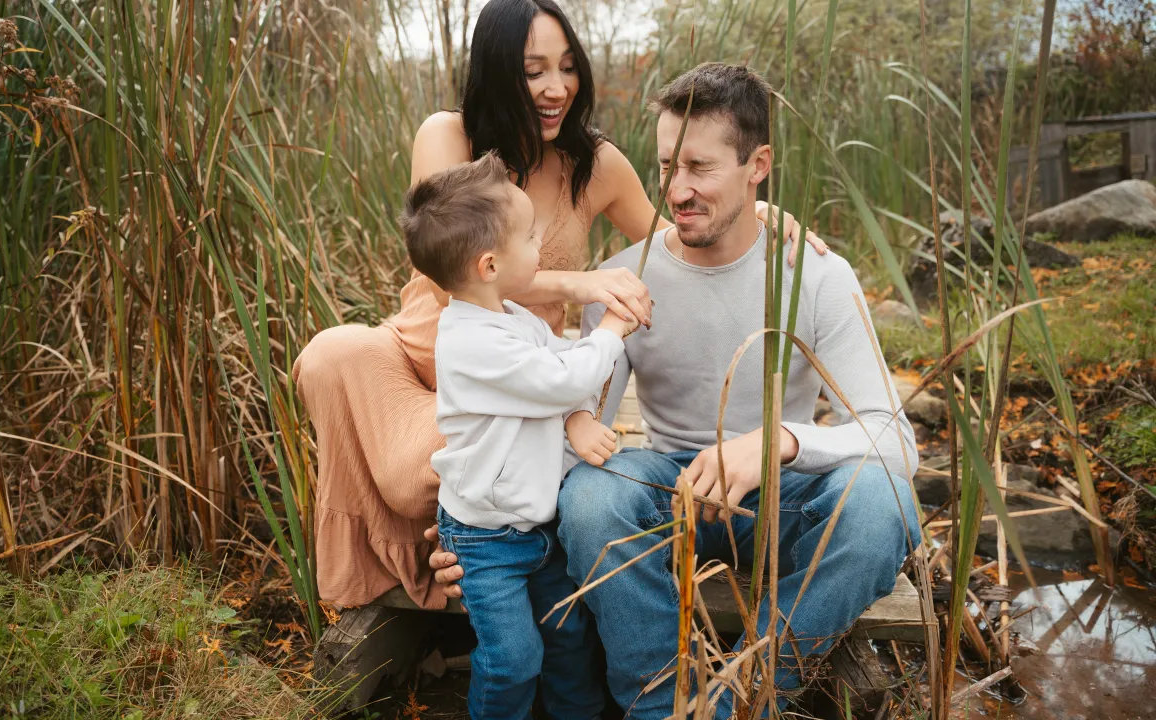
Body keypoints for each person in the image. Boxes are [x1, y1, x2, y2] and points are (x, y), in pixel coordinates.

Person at [293, 0, 828, 612]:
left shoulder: (595, 164)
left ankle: (460, 545)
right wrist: (582, 284)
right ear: (497, 71)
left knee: (454, 467)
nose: (557, 88)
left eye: (568, 67)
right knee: (332, 353)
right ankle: (427, 552)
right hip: (422, 353)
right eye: (534, 71)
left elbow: (680, 241)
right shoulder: (447, 136)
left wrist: (750, 208)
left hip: (517, 380)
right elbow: (454, 282)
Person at [427, 62, 924, 718]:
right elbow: (575, 434)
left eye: (700, 167)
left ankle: (746, 697)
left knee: (883, 503)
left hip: (782, 500)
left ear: (758, 165)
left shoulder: (819, 276)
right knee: (590, 501)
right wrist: (475, 542)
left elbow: (895, 441)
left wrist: (779, 440)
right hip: (670, 494)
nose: (678, 189)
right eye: (667, 167)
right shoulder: (622, 280)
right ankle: (662, 706)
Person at [403, 153, 633, 719]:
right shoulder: (471, 342)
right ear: (488, 264)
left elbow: (561, 368)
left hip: (538, 523)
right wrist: (610, 326)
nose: (541, 246)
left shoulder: (512, 317)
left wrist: (577, 414)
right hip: (486, 540)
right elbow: (567, 375)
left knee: (567, 639)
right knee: (513, 657)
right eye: (530, 236)